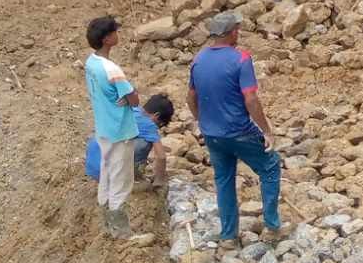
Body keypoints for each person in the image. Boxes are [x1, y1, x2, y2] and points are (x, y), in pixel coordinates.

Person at [189, 12, 284, 247]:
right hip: (239, 131)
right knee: (270, 166)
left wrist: (203, 122)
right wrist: (266, 130)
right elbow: (250, 99)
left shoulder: (198, 60)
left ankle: (229, 235)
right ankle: (272, 227)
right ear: (232, 32)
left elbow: (190, 97)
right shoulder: (241, 58)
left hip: (213, 134)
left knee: (223, 179)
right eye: (237, 30)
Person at [83, 16, 145, 238]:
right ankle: (121, 231)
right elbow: (134, 99)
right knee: (121, 178)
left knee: (107, 172)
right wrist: (130, 96)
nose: (118, 35)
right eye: (115, 32)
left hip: (104, 127)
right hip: (120, 129)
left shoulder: (91, 63)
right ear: (108, 38)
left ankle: (107, 223)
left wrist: (124, 98)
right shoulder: (112, 69)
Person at [85, 92, 175, 189]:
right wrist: (159, 180)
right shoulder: (149, 125)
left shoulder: (131, 110)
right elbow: (161, 157)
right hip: (105, 174)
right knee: (145, 143)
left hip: (92, 166)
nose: (157, 127)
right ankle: (128, 178)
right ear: (156, 115)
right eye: (159, 124)